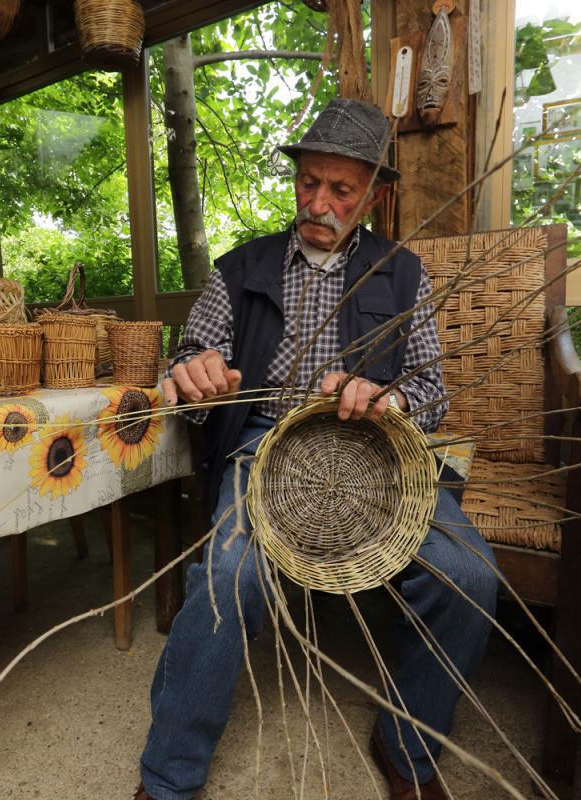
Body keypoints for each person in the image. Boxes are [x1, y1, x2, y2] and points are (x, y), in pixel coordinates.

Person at [134, 97, 498, 800]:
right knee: (228, 579)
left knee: (468, 576)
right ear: (295, 179)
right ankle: (168, 777)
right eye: (310, 182)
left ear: (373, 195)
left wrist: (389, 400)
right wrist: (193, 370)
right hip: (263, 448)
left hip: (376, 458)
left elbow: (432, 395)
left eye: (341, 189)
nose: (320, 202)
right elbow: (188, 353)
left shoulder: (402, 272)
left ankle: (407, 748)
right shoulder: (240, 269)